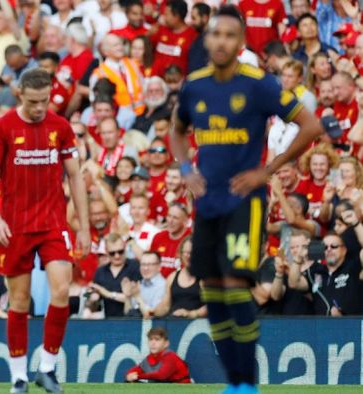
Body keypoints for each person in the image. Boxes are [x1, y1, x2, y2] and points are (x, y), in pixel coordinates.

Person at [170, 6, 322, 394]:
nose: (221, 41)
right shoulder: (195, 84)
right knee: (212, 289)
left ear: (240, 43)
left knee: (236, 284)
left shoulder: (259, 84)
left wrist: (267, 170)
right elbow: (177, 130)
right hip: (207, 205)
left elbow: (310, 125)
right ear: (207, 39)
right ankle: (234, 383)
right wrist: (187, 170)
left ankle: (247, 384)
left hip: (244, 202)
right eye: (215, 34)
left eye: (229, 36)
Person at [0, 68, 90, 394]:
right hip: (14, 227)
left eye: (44, 100)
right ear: (19, 95)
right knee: (19, 300)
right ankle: (18, 377)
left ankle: (47, 368)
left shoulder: (60, 126)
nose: (40, 107)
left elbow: (75, 177)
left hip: (54, 223)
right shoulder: (2, 127)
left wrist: (83, 226)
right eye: (33, 102)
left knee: (61, 291)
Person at [125, 327, 191, 383]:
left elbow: (162, 375)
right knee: (129, 382)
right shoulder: (149, 359)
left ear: (166, 343)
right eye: (150, 339)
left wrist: (138, 376)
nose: (153, 343)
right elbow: (131, 372)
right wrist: (130, 376)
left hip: (181, 388)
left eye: (157, 340)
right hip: (166, 388)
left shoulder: (170, 356)